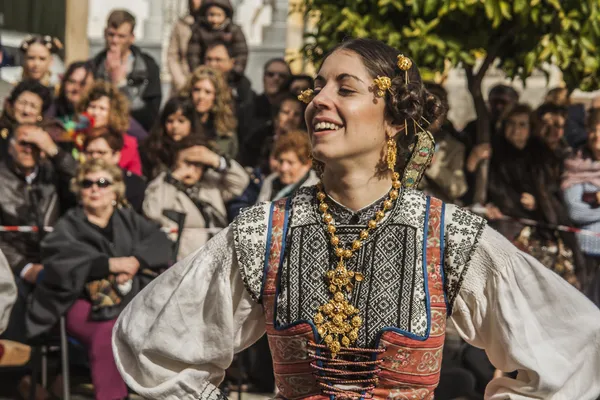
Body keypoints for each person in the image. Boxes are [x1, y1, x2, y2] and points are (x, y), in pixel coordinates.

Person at [112, 38, 600, 399]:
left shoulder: (449, 236)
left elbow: (572, 339)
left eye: (345, 88)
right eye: (317, 88)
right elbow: (155, 344)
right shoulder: (263, 232)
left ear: (392, 119)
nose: (319, 99)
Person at [26, 159, 171, 400]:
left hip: (128, 301)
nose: (95, 189)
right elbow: (57, 264)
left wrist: (135, 261)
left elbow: (160, 242)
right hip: (77, 301)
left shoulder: (129, 219)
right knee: (109, 333)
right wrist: (108, 265)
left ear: (115, 189)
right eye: (87, 183)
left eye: (102, 182)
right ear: (79, 190)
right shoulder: (68, 225)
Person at [486, 103, 582, 287]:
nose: (516, 129)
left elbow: (552, 196)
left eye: (522, 124)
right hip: (507, 227)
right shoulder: (496, 153)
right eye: (511, 123)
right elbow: (492, 189)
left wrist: (537, 203)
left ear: (530, 128)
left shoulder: (541, 155)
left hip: (542, 227)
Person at [144, 135, 248, 260]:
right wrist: (174, 178)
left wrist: (217, 160)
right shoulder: (163, 183)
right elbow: (153, 212)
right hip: (183, 257)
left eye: (198, 164)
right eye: (187, 162)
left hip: (217, 254)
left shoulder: (210, 184)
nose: (191, 169)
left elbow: (240, 183)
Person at [90, 9, 162, 131]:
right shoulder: (94, 65)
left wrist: (121, 83)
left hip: (134, 132)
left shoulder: (147, 66)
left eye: (121, 36)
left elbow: (150, 115)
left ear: (132, 38)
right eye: (111, 35)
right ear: (104, 33)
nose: (115, 41)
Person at [563, 108, 600, 305]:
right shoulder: (576, 164)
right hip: (587, 253)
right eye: (594, 130)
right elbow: (575, 211)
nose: (597, 136)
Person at [78, 80, 143, 175]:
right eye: (92, 107)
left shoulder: (128, 144)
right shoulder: (75, 136)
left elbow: (135, 179)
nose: (95, 113)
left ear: (113, 113)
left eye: (102, 108)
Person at [83, 129, 146, 214]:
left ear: (116, 156)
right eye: (90, 152)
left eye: (101, 153)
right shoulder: (77, 183)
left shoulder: (134, 185)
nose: (95, 157)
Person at [240, 93, 305, 174]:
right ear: (276, 116)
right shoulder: (257, 139)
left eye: (296, 114)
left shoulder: (306, 143)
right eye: (286, 112)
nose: (291, 118)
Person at [204, 40, 255, 143]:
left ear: (231, 62)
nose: (212, 64)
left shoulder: (243, 91)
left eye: (218, 60)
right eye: (209, 59)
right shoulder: (196, 87)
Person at [182, 65, 238, 159]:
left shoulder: (226, 131)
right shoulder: (179, 122)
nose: (201, 96)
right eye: (197, 90)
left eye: (207, 92)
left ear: (216, 97)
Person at [141, 96, 199, 181]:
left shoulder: (199, 150)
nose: (174, 126)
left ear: (191, 124)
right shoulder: (152, 150)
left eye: (181, 121)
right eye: (170, 121)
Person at [187, 0, 248, 78]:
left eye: (219, 15)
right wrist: (199, 73)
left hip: (229, 74)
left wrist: (234, 73)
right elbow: (193, 55)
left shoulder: (233, 30)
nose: (215, 20)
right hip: (206, 72)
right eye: (211, 15)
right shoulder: (199, 31)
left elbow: (241, 54)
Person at [257, 129, 319, 202]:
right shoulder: (270, 181)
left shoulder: (316, 191)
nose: (283, 168)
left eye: (290, 163)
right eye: (281, 161)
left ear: (307, 164)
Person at [0, 80, 54, 161]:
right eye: (22, 103)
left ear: (40, 113)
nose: (26, 110)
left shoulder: (49, 136)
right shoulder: (2, 133)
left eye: (33, 106)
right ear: (12, 105)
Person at [167, 0, 203, 92]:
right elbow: (172, 56)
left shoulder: (216, 24)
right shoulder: (181, 24)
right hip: (183, 82)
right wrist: (182, 83)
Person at [252, 58, 292, 129]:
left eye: (282, 76)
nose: (276, 78)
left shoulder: (295, 109)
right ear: (263, 78)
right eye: (270, 74)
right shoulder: (248, 109)